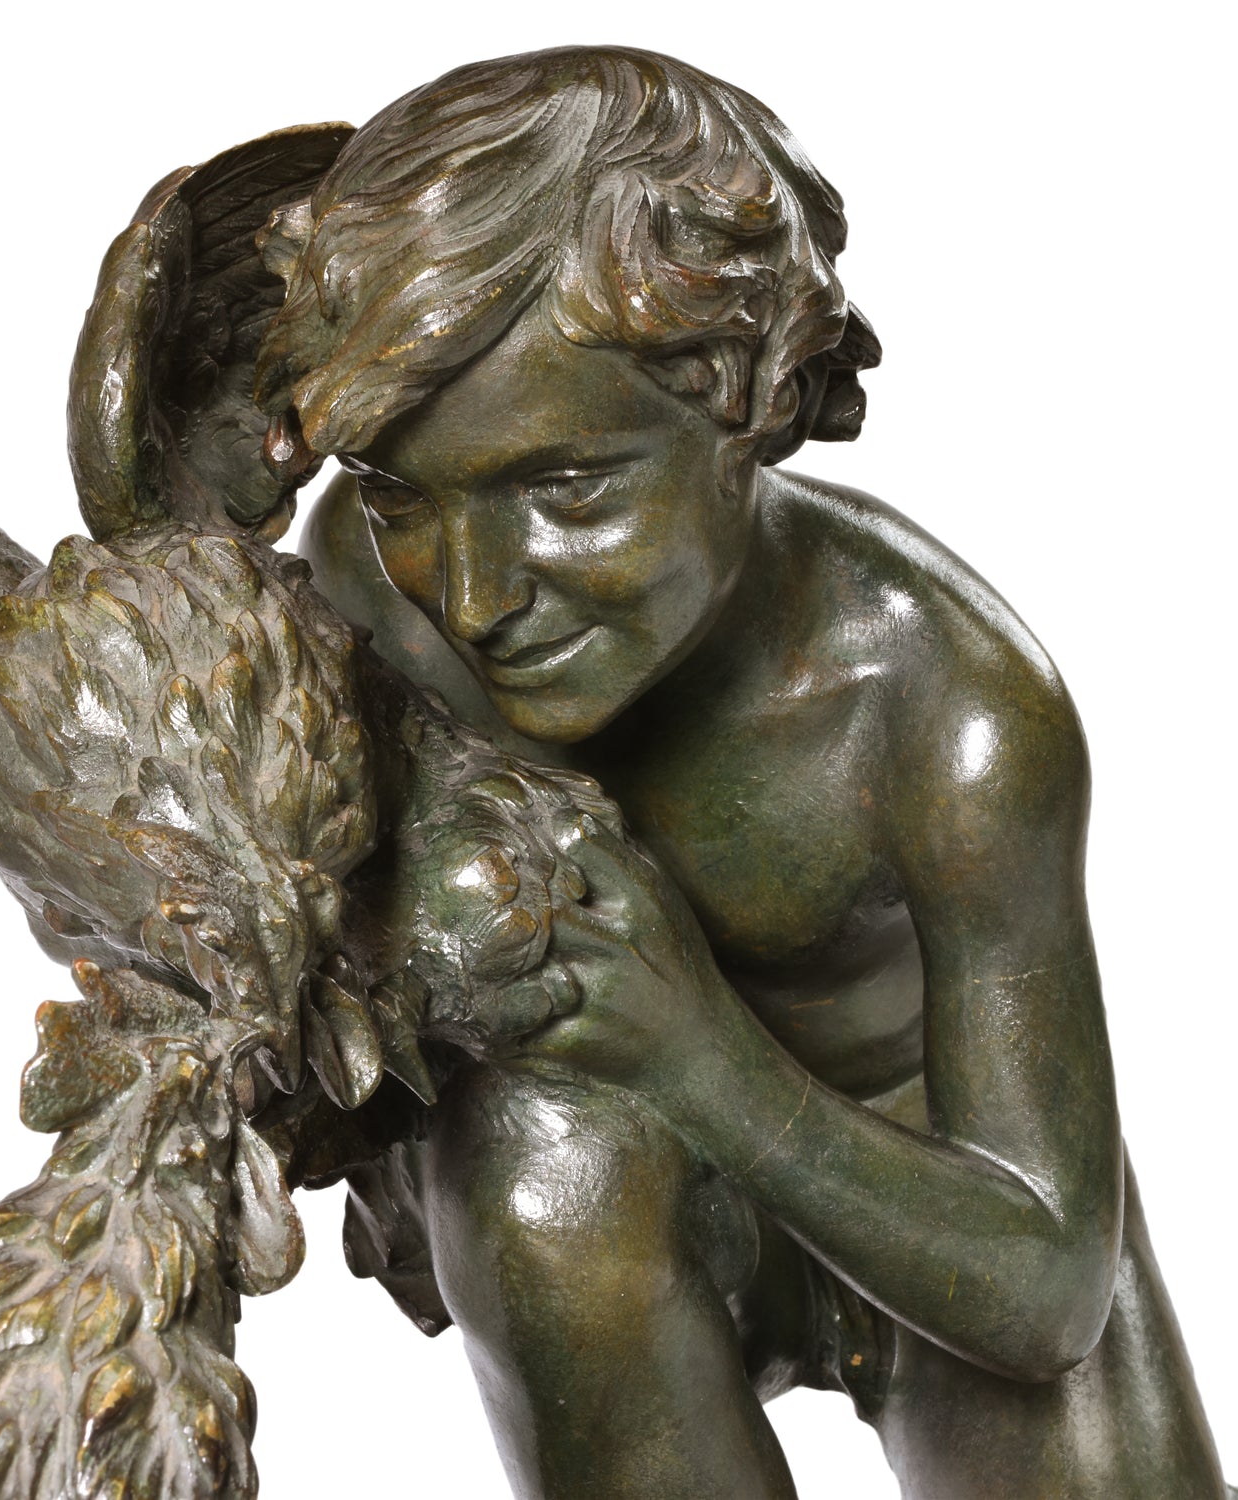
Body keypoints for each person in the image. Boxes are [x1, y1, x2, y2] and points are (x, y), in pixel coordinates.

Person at [250, 47, 1232, 1499]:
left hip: (938, 1203)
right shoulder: (377, 602)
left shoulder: (944, 709)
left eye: (566, 488)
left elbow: (1045, 1288)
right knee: (537, 1154)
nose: (472, 594)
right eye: (402, 494)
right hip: (607, 1193)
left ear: (749, 411)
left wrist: (697, 1053)